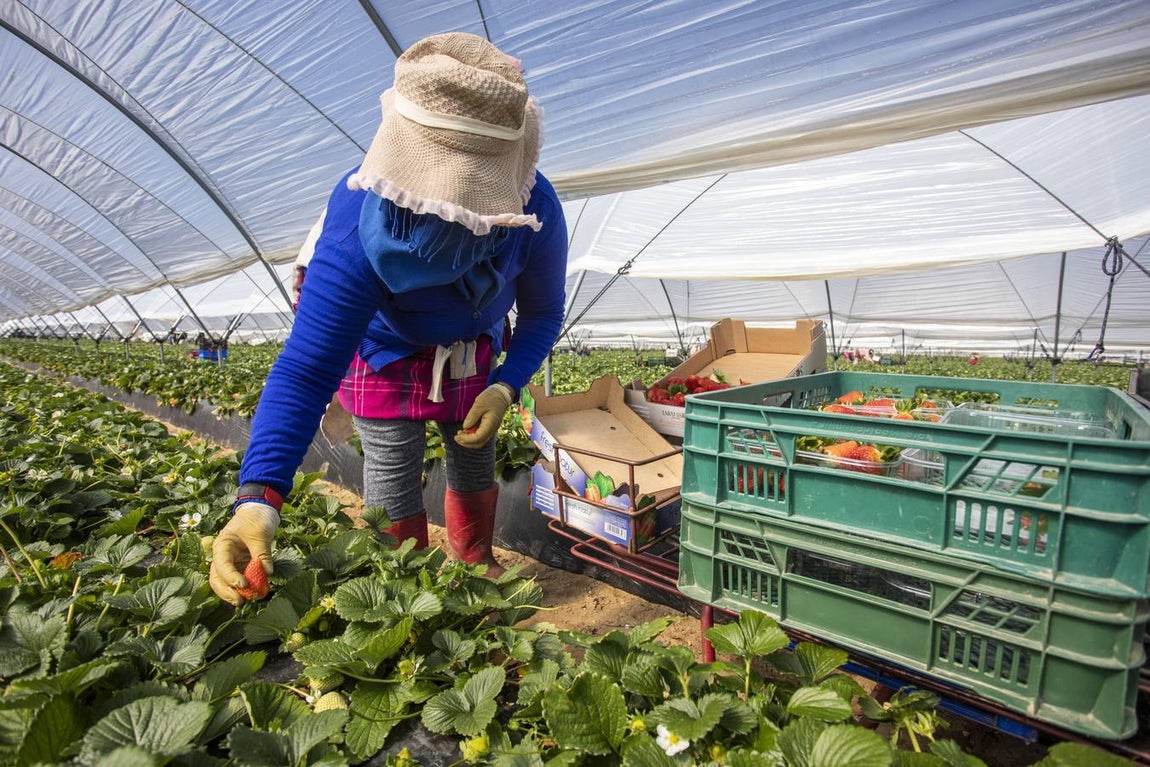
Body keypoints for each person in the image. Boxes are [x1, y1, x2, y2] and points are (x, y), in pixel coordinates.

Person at [209, 32, 567, 606]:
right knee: (393, 462)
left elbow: (545, 312)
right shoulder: (355, 224)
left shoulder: (534, 208)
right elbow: (305, 370)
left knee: (474, 450)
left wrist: (505, 385)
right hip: (383, 349)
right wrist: (257, 498)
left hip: (471, 348)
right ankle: (405, 587)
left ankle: (474, 557)